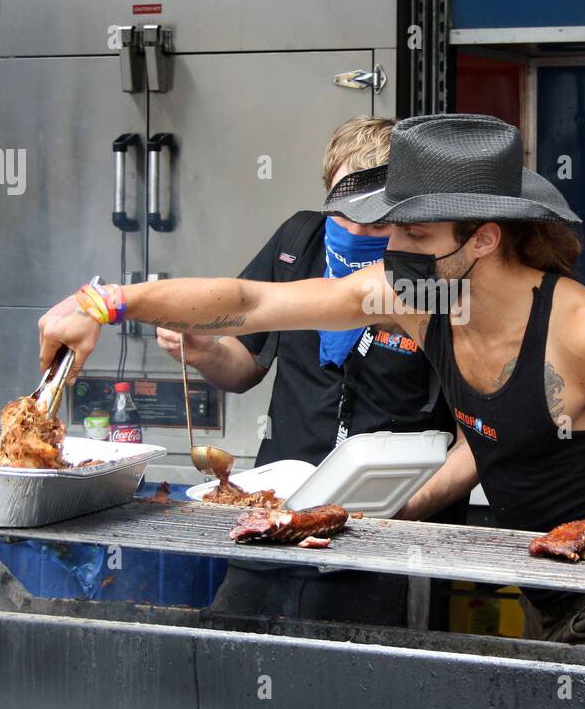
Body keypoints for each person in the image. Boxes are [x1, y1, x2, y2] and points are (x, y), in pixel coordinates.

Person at [40, 113, 585, 652]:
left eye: (418, 238)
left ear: (485, 239)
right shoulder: (423, 297)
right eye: (393, 232)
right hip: (547, 580)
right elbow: (253, 303)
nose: (392, 253)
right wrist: (106, 302)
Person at [154, 116, 475, 627]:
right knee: (234, 658)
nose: (353, 231)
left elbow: (476, 443)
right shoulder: (298, 241)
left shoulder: (441, 281)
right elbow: (244, 366)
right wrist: (204, 348)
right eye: (342, 213)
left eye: (375, 221)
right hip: (276, 511)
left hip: (388, 540)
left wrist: (404, 508)